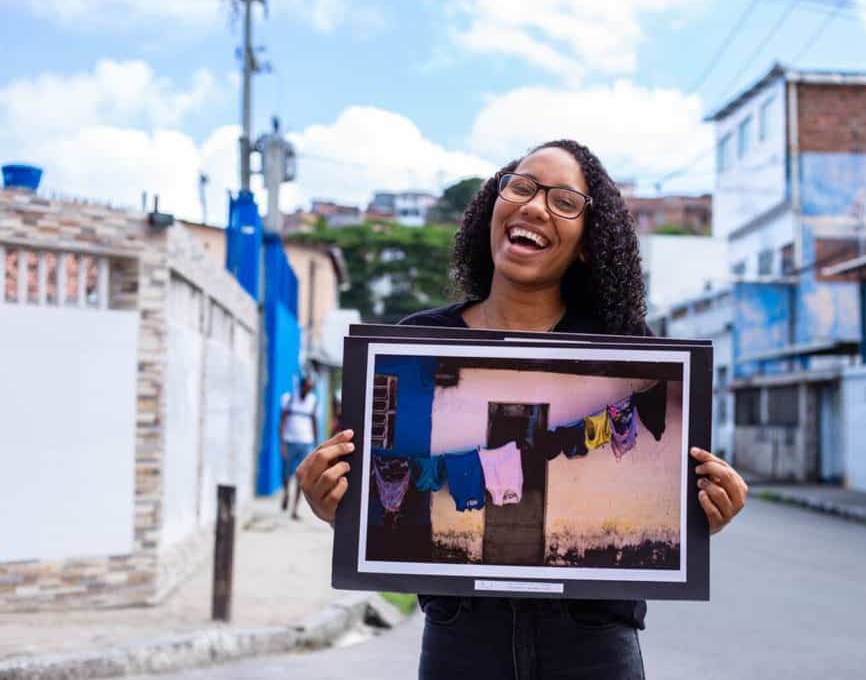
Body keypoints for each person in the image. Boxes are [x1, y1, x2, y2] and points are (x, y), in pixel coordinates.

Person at [297, 139, 748, 679]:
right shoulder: (418, 343)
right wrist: (341, 508)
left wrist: (698, 515)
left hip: (592, 643)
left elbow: (667, 485)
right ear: (494, 204)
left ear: (587, 242)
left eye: (563, 201)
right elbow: (381, 488)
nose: (534, 206)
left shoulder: (623, 347)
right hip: (461, 637)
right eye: (522, 186)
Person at [279, 373, 318, 519]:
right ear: (301, 386)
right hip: (289, 441)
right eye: (307, 387)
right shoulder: (289, 399)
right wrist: (282, 443)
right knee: (286, 474)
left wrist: (315, 444)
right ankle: (286, 493)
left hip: (306, 442)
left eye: (311, 388)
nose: (308, 391)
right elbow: (282, 421)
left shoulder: (313, 401)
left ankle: (294, 509)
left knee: (302, 477)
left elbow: (314, 422)